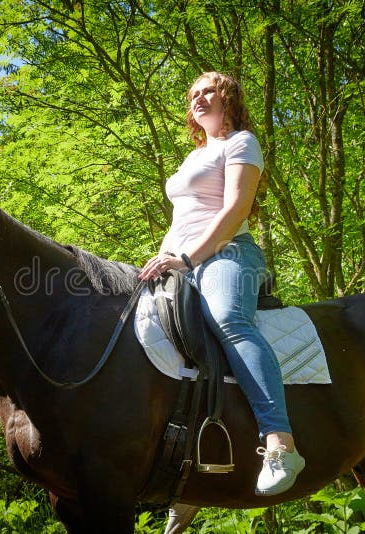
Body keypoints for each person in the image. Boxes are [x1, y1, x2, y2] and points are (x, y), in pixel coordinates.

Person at [138, 72, 305, 496]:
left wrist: (189, 257)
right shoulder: (194, 157)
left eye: (209, 90)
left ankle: (280, 443)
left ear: (228, 98)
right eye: (194, 94)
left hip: (229, 254)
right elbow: (183, 218)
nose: (199, 98)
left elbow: (235, 209)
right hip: (181, 259)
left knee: (229, 319)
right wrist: (164, 260)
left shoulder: (241, 143)